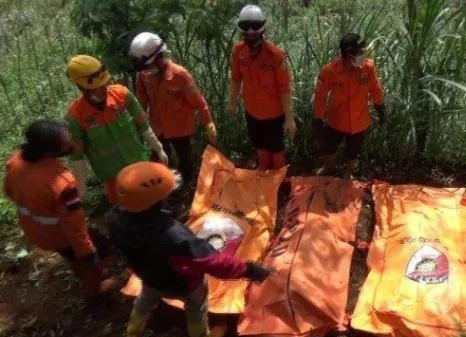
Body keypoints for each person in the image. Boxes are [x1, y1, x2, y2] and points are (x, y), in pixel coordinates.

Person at [108, 161, 271, 337]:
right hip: (184, 285)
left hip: (149, 278)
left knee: (144, 301)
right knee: (196, 309)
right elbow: (211, 262)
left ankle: (132, 335)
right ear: (157, 200)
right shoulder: (174, 237)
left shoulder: (116, 221)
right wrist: (248, 269)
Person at [3, 119, 118, 298]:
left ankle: (81, 273)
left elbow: (9, 191)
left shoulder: (15, 161)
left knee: (71, 256)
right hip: (60, 235)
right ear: (50, 152)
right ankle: (95, 289)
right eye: (66, 142)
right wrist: (87, 252)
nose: (72, 143)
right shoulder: (62, 184)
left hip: (35, 230)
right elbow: (74, 226)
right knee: (99, 247)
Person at [64, 55, 168, 205]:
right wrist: (81, 189)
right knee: (126, 210)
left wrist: (158, 148)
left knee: (152, 199)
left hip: (139, 162)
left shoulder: (122, 95)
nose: (102, 91)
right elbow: (77, 157)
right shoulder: (76, 116)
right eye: (95, 88)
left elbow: (143, 125)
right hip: (113, 176)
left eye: (104, 85)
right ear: (81, 87)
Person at [129, 32, 218, 186]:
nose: (147, 69)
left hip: (180, 127)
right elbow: (141, 99)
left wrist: (208, 123)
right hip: (158, 126)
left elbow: (199, 102)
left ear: (158, 58)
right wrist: (138, 122)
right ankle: (161, 186)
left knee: (184, 158)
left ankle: (187, 183)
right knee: (158, 157)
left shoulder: (180, 75)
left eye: (149, 65)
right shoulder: (144, 75)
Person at [229, 4, 297, 170]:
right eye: (246, 28)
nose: (251, 33)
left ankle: (278, 174)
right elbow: (236, 79)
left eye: (255, 28)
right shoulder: (238, 51)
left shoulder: (276, 56)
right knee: (258, 141)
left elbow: (285, 89)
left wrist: (289, 118)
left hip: (274, 113)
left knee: (275, 145)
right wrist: (232, 104)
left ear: (262, 28)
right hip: (251, 110)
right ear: (241, 29)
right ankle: (264, 166)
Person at [311, 33, 386, 179]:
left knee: (352, 151)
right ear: (347, 54)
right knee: (329, 148)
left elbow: (375, 89)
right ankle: (329, 168)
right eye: (359, 53)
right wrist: (317, 119)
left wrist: (380, 108)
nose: (362, 55)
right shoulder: (330, 71)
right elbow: (320, 97)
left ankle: (348, 172)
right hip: (336, 121)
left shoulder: (368, 68)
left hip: (359, 121)